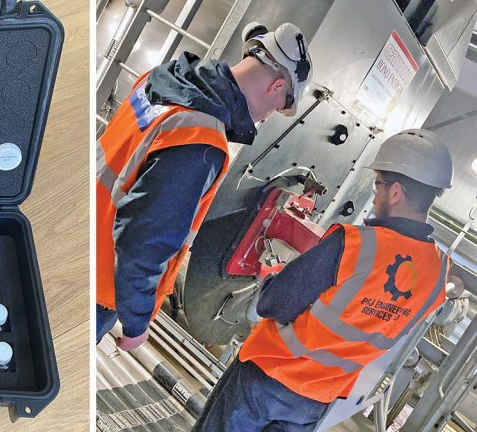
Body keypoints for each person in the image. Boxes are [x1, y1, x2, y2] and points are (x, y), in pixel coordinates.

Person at [194, 129, 454, 431]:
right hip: (317, 400)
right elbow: (389, 327)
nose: (375, 194)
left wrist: (273, 276)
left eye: (378, 184)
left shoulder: (356, 244)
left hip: (267, 375)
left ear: (395, 192)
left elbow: (272, 303)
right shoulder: (439, 271)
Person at [96, 22, 313, 350]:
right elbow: (145, 241)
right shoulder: (200, 138)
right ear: (277, 85)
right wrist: (136, 320)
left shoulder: (162, 79)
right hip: (98, 283)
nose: (267, 117)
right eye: (278, 106)